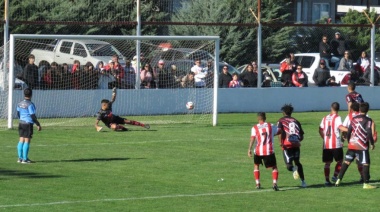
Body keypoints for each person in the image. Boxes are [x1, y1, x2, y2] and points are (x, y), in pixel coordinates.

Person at [335, 102, 377, 189]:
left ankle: (338, 179)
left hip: (352, 144)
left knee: (346, 162)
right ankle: (366, 183)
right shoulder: (368, 120)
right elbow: (369, 132)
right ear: (367, 110)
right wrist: (372, 143)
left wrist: (349, 140)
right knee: (366, 163)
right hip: (362, 145)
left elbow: (349, 130)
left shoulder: (354, 119)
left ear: (360, 109)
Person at [276, 104, 307, 188]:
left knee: (289, 165)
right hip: (296, 144)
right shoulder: (296, 121)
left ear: (283, 112)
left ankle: (294, 169)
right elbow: (302, 136)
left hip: (286, 145)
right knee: (297, 162)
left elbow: (279, 131)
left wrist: (280, 142)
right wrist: (296, 140)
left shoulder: (281, 121)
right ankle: (303, 182)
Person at [248, 112, 279, 191]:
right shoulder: (271, 126)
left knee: (256, 165)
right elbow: (279, 131)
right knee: (274, 167)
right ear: (265, 118)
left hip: (258, 151)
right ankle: (274, 183)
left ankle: (257, 184)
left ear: (258, 118)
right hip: (269, 151)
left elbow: (252, 138)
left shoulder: (254, 128)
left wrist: (249, 149)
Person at [319, 102, 347, 186]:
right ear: (338, 109)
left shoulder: (325, 118)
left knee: (327, 163)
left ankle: (327, 181)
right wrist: (350, 129)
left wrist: (324, 138)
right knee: (340, 161)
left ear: (331, 108)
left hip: (326, 144)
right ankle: (335, 176)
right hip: (336, 144)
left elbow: (320, 129)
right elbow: (341, 127)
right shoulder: (337, 118)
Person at [342, 102, 370, 182]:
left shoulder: (350, 116)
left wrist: (345, 134)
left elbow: (343, 127)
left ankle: (339, 178)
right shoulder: (366, 116)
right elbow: (370, 127)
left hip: (352, 141)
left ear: (351, 109)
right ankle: (364, 177)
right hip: (363, 141)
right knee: (363, 161)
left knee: (352, 160)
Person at [16, 88, 42, 163]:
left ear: (24, 94)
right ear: (31, 95)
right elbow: (32, 116)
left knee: (21, 140)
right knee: (27, 141)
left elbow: (18, 113)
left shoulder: (19, 103)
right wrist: (38, 124)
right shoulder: (30, 104)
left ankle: (20, 158)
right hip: (28, 124)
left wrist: (22, 118)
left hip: (21, 123)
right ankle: (25, 159)